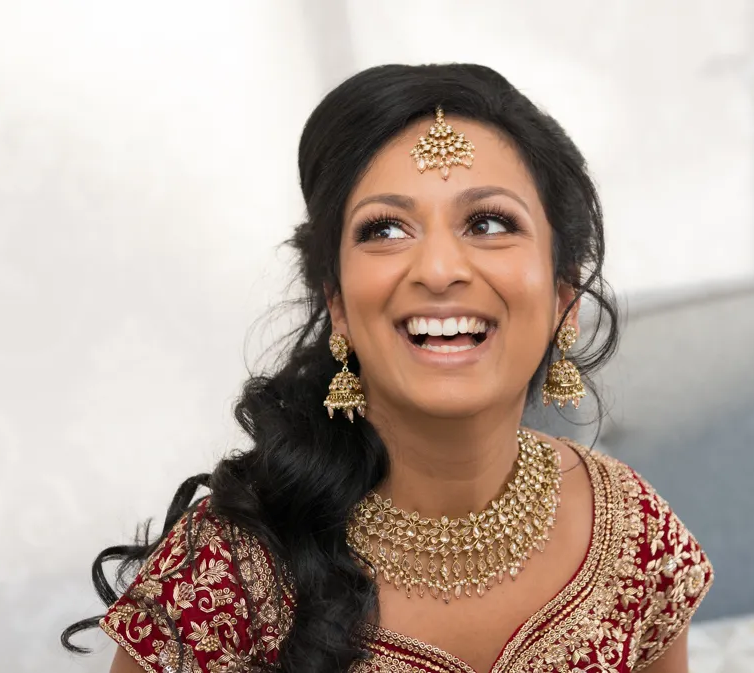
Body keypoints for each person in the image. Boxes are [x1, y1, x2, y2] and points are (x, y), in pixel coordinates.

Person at [62, 62, 713, 673]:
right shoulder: (229, 570)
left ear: (563, 300)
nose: (438, 269)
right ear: (338, 304)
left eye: (488, 222)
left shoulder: (631, 534)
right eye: (386, 229)